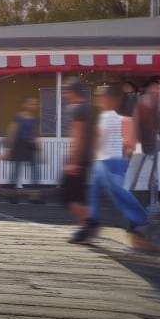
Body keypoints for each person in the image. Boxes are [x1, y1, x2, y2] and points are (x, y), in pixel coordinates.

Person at [83, 85, 156, 250]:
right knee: (94, 194)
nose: (98, 99)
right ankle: (92, 224)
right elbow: (127, 143)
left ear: (110, 99)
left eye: (101, 96)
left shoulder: (109, 117)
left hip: (110, 161)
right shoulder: (113, 117)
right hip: (106, 160)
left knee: (119, 193)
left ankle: (141, 220)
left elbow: (101, 139)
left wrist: (90, 153)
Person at [60, 80, 98, 244]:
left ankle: (87, 225)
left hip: (78, 159)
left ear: (72, 92)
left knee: (69, 196)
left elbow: (79, 136)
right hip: (86, 157)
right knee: (78, 195)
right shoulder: (90, 109)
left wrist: (73, 161)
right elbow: (95, 134)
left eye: (66, 91)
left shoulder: (76, 109)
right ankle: (85, 225)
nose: (64, 94)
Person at [6, 96, 42, 204]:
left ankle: (34, 197)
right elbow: (12, 132)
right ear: (24, 104)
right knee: (16, 171)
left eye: (35, 104)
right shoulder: (18, 117)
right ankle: (13, 196)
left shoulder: (34, 119)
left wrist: (40, 149)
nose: (34, 106)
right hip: (19, 144)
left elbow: (35, 134)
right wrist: (10, 148)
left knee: (35, 171)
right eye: (31, 103)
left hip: (30, 145)